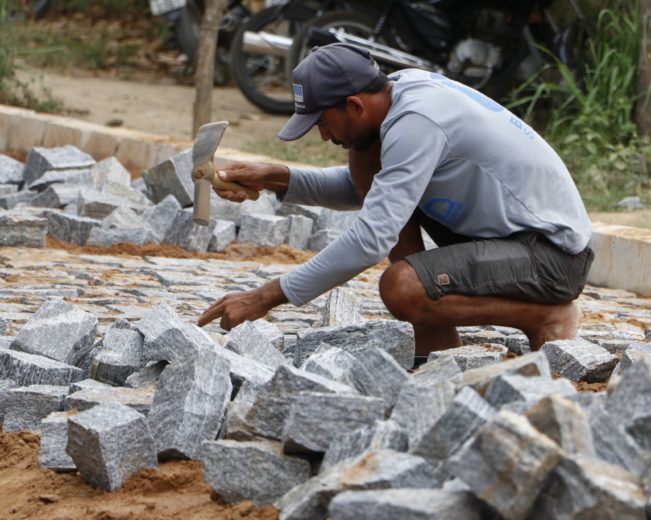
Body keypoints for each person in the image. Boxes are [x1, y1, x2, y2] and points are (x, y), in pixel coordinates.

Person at [197, 43, 594, 354]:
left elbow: (372, 238)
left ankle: (546, 315)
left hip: (551, 256)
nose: (322, 136)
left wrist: (264, 297)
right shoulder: (394, 96)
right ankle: (436, 338)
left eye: (321, 122)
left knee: (402, 288)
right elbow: (371, 190)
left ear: (353, 104)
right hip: (507, 239)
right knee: (365, 154)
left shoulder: (416, 122)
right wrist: (276, 178)